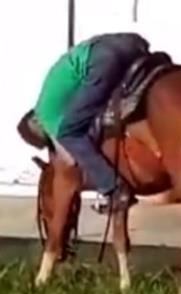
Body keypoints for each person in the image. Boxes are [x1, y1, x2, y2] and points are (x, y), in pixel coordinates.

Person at [32, 32, 150, 214]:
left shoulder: (46, 117)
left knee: (69, 133)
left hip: (101, 60)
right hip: (131, 44)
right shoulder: (49, 95)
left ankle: (114, 189)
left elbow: (70, 160)